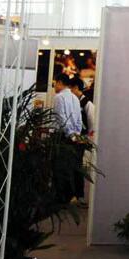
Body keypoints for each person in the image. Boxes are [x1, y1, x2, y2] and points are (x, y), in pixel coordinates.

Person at [52, 74, 83, 204]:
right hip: (74, 137)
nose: (54, 86)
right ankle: (70, 196)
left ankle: (61, 198)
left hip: (62, 137)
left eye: (55, 83)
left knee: (59, 168)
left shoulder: (59, 97)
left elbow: (61, 118)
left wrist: (70, 133)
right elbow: (79, 119)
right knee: (70, 167)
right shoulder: (75, 98)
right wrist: (76, 134)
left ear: (60, 82)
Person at [70, 76, 95, 208]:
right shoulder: (73, 102)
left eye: (70, 88)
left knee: (78, 167)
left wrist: (86, 139)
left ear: (76, 88)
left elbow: (92, 125)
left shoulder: (87, 104)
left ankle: (79, 196)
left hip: (81, 141)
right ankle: (73, 195)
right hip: (72, 139)